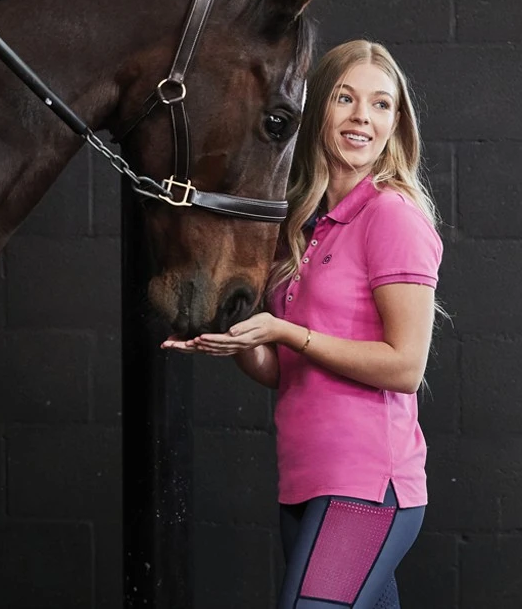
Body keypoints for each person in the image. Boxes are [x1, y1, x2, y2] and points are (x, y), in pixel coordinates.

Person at [163, 40, 443, 609]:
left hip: (367, 486)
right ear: (319, 110)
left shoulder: (391, 216)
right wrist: (238, 337)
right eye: (346, 98)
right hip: (305, 480)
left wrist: (288, 331)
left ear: (395, 123)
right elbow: (283, 371)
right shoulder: (304, 227)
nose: (363, 116)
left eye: (381, 104)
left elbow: (406, 367)